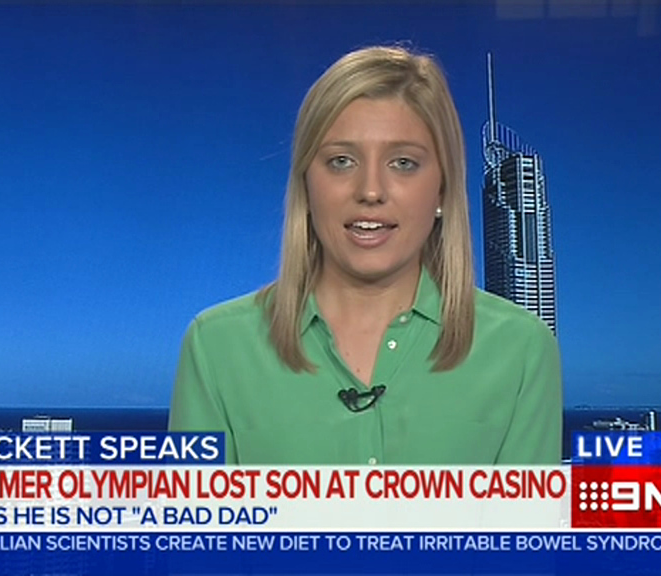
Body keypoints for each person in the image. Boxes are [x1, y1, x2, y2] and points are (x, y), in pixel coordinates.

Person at [169, 45, 561, 465]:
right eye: (341, 161)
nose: (370, 191)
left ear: (442, 190)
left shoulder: (520, 350)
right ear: (306, 185)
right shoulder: (216, 349)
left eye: (403, 163)